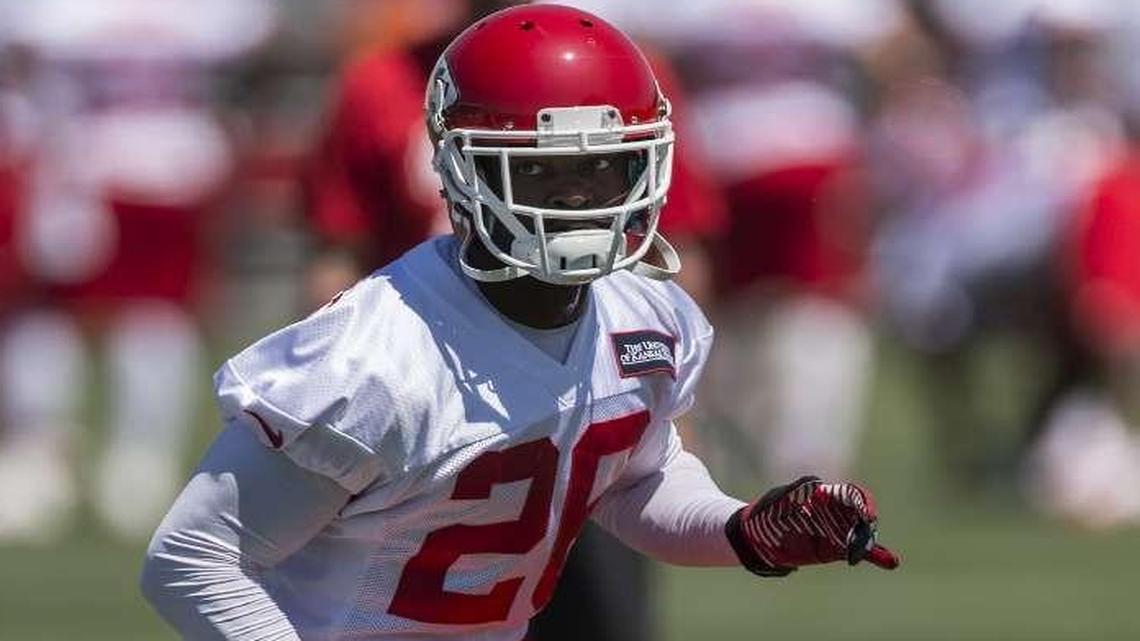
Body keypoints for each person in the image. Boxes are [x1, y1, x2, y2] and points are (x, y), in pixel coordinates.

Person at [140, 6, 899, 640]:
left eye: (602, 165)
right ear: (463, 170)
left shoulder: (645, 314)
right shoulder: (375, 358)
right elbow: (193, 557)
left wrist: (745, 530)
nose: (574, 196)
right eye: (537, 168)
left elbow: (636, 481)